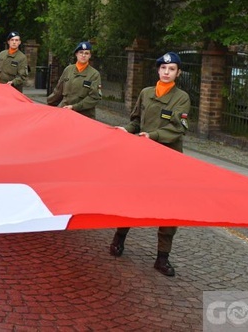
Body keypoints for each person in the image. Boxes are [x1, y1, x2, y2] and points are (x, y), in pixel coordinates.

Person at [109, 51, 191, 277]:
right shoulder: (145, 93)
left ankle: (162, 257)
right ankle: (119, 238)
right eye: (163, 68)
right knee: (131, 199)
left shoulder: (181, 97)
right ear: (158, 70)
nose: (166, 72)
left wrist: (152, 136)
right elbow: (136, 121)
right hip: (143, 157)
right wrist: (126, 129)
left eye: (172, 69)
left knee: (169, 207)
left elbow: (178, 129)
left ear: (178, 73)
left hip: (168, 160)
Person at [46, 41, 103, 119]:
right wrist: (48, 105)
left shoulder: (94, 74)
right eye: (81, 52)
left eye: (86, 53)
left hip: (84, 116)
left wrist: (74, 107)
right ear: (76, 54)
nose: (83, 55)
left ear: (90, 56)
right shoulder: (68, 70)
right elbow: (58, 91)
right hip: (65, 114)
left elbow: (94, 97)